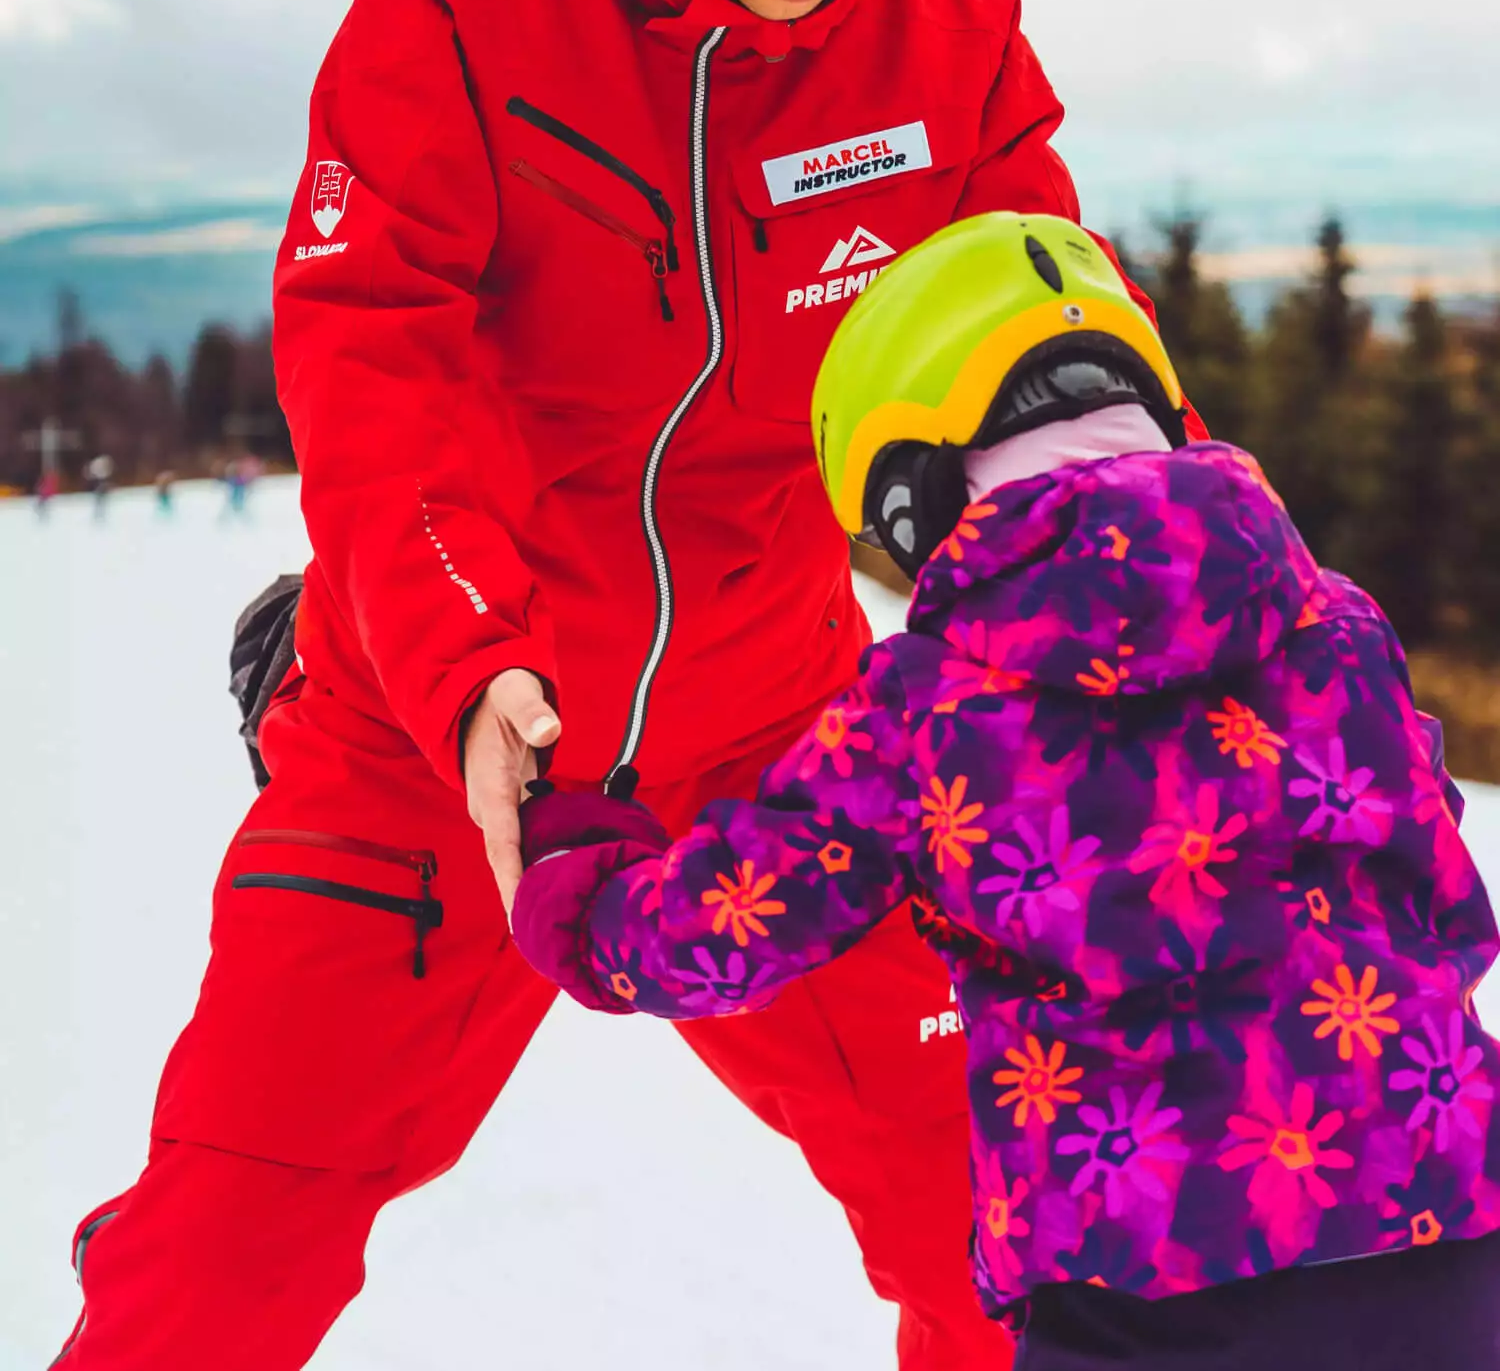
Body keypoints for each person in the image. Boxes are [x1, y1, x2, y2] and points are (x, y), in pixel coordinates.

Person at [54, 0, 1197, 1371]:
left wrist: (1159, 600)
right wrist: (463, 663)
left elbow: (1038, 340)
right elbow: (374, 347)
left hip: (782, 735)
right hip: (439, 733)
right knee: (222, 1251)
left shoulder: (949, 37)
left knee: (1013, 1207)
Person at [509, 210, 1500, 1370]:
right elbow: (1445, 894)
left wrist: (588, 905)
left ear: (913, 491)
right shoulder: (1332, 620)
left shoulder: (933, 704)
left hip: (1143, 1271)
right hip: (1446, 1227)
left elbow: (735, 923)